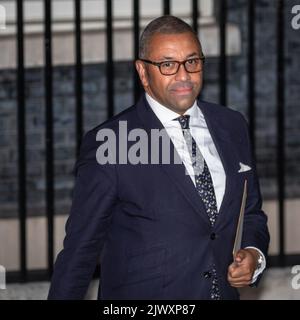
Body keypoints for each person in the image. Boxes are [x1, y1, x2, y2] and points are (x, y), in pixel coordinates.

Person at [48, 15, 269, 300]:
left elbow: (250, 213)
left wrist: (254, 255)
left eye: (192, 61)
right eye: (167, 65)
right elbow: (81, 249)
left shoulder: (232, 125)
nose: (183, 75)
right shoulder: (112, 142)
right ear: (143, 72)